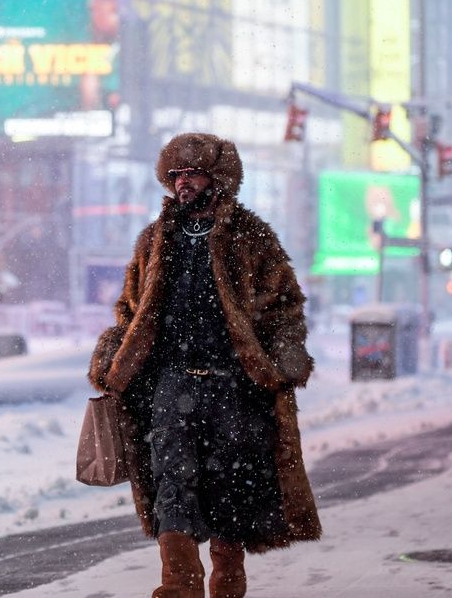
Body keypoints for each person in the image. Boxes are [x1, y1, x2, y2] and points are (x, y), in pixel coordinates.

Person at [88, 133, 322, 598]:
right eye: (175, 175)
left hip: (233, 388)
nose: (183, 184)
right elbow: (130, 310)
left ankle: (227, 587)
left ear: (219, 178)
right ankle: (179, 587)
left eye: (191, 173)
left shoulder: (252, 236)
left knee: (227, 490)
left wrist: (281, 361)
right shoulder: (155, 239)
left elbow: (284, 309)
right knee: (171, 486)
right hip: (169, 385)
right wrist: (113, 355)